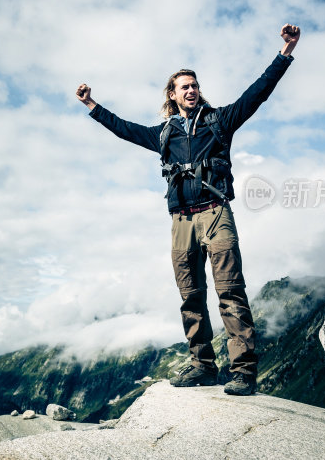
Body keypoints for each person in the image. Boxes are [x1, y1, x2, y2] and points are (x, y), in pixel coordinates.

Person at [75, 24, 301, 395]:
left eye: (195, 85)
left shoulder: (220, 121)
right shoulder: (164, 134)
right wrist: (91, 105)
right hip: (181, 220)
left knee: (230, 291)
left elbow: (257, 92)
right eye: (185, 86)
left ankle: (243, 372)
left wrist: (285, 52)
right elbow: (124, 129)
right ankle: (202, 366)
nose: (192, 90)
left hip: (215, 213)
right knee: (191, 296)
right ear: (173, 94)